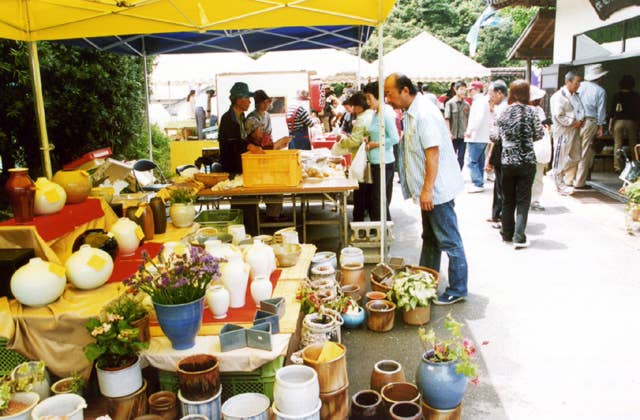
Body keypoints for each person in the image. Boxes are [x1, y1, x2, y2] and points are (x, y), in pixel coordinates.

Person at [384, 73, 468, 305]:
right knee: (430, 237)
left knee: (450, 240)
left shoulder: (424, 113)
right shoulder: (412, 112)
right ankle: (425, 280)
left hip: (436, 190)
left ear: (404, 91)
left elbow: (433, 153)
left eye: (389, 94)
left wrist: (428, 189)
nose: (387, 99)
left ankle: (458, 288)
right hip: (427, 189)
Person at [497, 80, 544, 249]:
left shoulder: (503, 111)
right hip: (527, 161)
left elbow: (494, 136)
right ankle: (519, 236)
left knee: (508, 199)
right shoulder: (532, 111)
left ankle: (506, 233)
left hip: (508, 161)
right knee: (523, 200)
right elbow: (539, 134)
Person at [218, 82, 262, 235]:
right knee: (240, 205)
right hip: (232, 168)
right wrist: (251, 147)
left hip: (243, 167)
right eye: (247, 98)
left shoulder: (241, 117)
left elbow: (243, 139)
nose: (250, 101)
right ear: (237, 100)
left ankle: (251, 233)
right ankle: (240, 235)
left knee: (249, 204)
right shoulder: (228, 119)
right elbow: (234, 143)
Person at [334, 92, 375, 222]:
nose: (353, 109)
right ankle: (366, 215)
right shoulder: (373, 114)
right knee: (369, 191)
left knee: (359, 190)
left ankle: (358, 219)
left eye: (354, 106)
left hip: (360, 159)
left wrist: (341, 142)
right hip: (371, 158)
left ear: (359, 106)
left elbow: (354, 141)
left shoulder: (361, 118)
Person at [363, 81, 399, 221]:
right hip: (375, 162)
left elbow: (395, 138)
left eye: (369, 98)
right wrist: (369, 139)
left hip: (384, 163)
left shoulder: (386, 114)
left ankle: (383, 231)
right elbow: (377, 132)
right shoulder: (375, 113)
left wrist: (375, 144)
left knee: (378, 200)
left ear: (378, 96)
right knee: (377, 200)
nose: (367, 101)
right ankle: (380, 230)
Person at [550, 71, 585, 195]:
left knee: (576, 156)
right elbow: (559, 115)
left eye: (579, 82)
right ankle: (558, 184)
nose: (578, 85)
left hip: (575, 130)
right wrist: (572, 122)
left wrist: (580, 120)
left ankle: (560, 176)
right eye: (576, 83)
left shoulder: (575, 95)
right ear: (568, 82)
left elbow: (580, 110)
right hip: (563, 131)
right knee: (559, 158)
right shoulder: (558, 96)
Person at [575, 64, 608, 188]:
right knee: (585, 152)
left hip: (576, 121)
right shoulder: (600, 91)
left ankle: (569, 179)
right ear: (600, 77)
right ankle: (579, 182)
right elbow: (601, 111)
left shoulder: (579, 86)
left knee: (574, 150)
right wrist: (601, 127)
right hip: (590, 121)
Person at [486, 80, 508, 225]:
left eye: (491, 94)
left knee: (501, 186)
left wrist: (489, 157)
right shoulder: (506, 107)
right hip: (506, 152)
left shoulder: (502, 109)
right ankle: (497, 214)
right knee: (500, 186)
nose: (490, 97)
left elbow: (495, 137)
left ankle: (499, 215)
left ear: (500, 93)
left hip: (501, 151)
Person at [610, 75, 640, 173]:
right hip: (631, 122)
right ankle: (635, 165)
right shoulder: (636, 96)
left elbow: (612, 112)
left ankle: (617, 167)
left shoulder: (616, 95)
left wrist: (610, 125)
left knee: (617, 144)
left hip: (618, 121)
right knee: (633, 145)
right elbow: (638, 111)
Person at [465, 81, 491, 193]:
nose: (469, 92)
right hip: (482, 136)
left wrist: (471, 130)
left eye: (471, 90)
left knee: (472, 161)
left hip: (476, 136)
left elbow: (478, 118)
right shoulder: (483, 101)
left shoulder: (479, 102)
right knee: (479, 160)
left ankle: (477, 183)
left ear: (476, 89)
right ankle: (479, 182)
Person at [529, 85, 550, 211]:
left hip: (538, 147)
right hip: (536, 147)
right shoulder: (532, 110)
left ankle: (534, 200)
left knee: (536, 175)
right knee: (536, 176)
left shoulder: (539, 110)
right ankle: (532, 200)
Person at [444, 81, 470, 169]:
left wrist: (468, 131)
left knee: (461, 157)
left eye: (464, 89)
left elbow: (468, 119)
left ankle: (459, 173)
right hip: (453, 135)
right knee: (451, 156)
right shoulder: (450, 103)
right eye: (461, 89)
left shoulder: (467, 105)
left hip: (463, 135)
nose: (463, 91)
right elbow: (447, 119)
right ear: (455, 90)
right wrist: (448, 133)